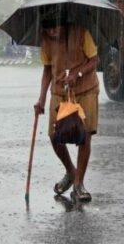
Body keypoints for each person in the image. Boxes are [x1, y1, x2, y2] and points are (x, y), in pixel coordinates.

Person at [34, 11, 100, 202]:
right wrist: (41, 99)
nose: (52, 32)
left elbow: (95, 60)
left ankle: (79, 183)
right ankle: (71, 172)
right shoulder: (45, 40)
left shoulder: (81, 32)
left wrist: (77, 74)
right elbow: (47, 69)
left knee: (84, 135)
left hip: (86, 89)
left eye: (55, 28)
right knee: (54, 136)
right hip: (59, 91)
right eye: (48, 29)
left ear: (63, 24)